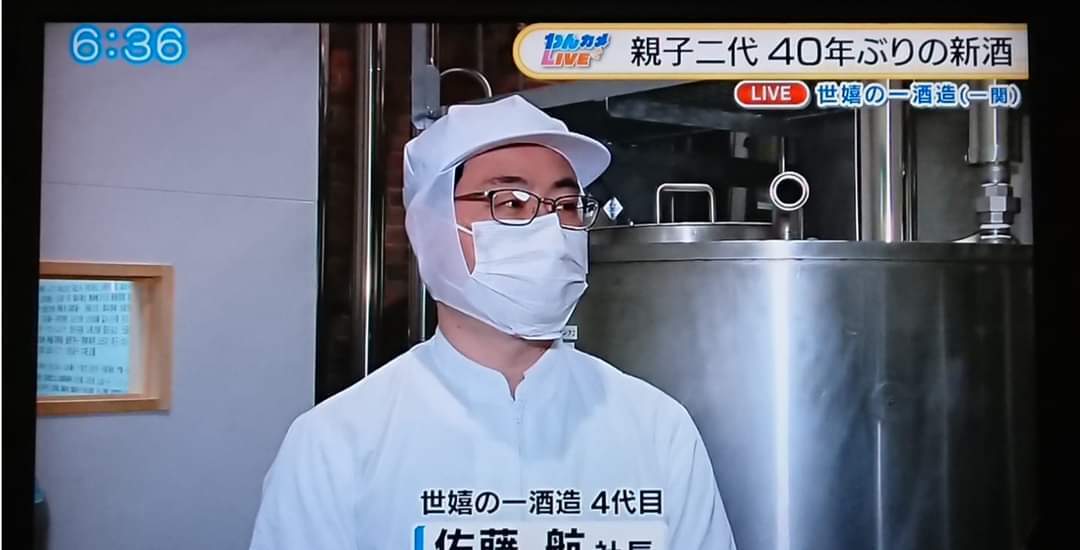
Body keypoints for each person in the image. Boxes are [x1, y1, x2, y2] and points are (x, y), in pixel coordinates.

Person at [249, 95, 737, 550]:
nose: (551, 229)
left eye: (567, 206)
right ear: (432, 228)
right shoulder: (338, 442)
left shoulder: (657, 427)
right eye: (511, 202)